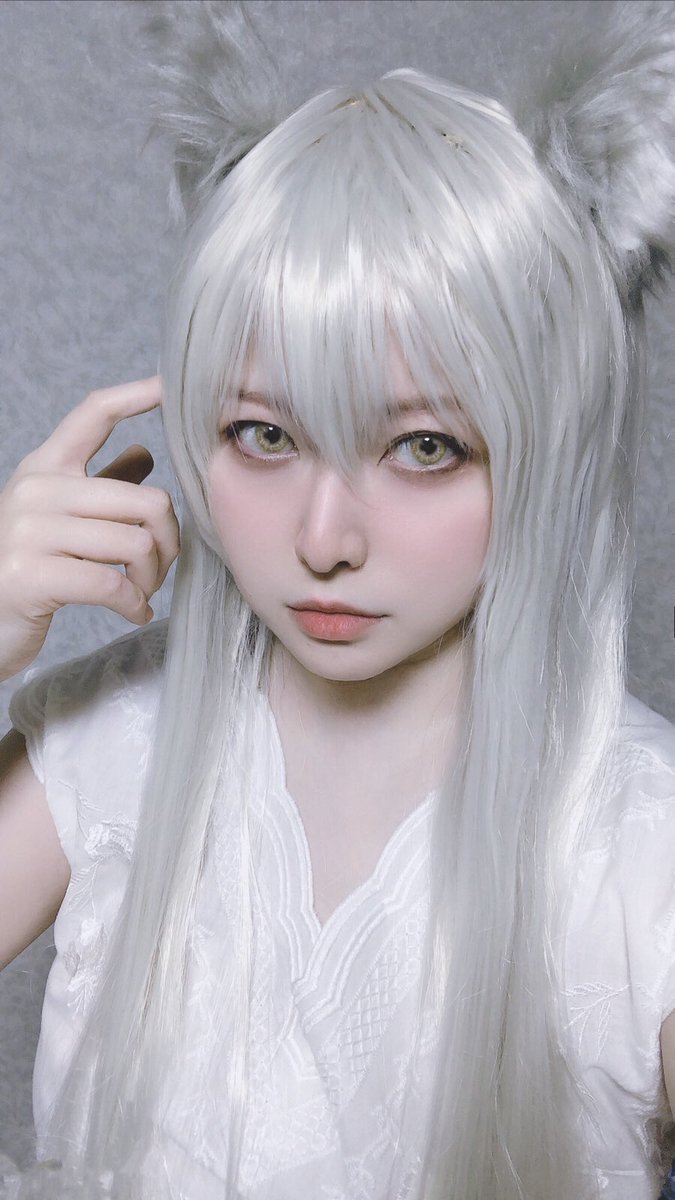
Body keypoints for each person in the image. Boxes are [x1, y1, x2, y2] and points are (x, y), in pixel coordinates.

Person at [0, 2, 674, 1198]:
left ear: (546, 443)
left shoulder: (642, 849)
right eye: (264, 434)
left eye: (423, 448)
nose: (323, 541)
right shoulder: (110, 749)